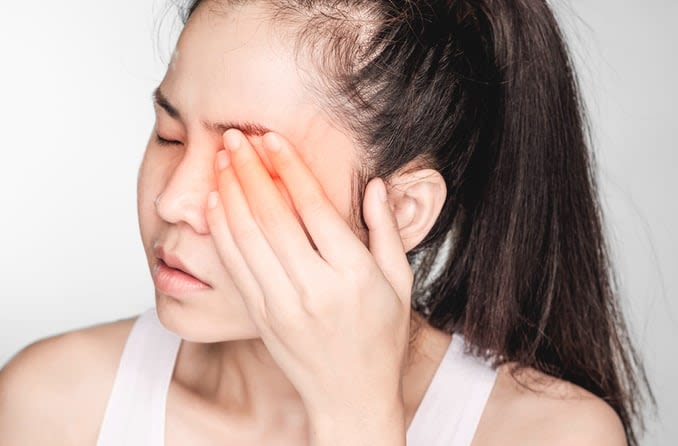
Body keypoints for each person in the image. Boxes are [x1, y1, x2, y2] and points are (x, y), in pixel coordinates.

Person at [0, 0, 653, 445]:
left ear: (400, 210)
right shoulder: (54, 404)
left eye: (243, 161)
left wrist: (357, 417)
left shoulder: (549, 435)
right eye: (169, 134)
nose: (172, 200)